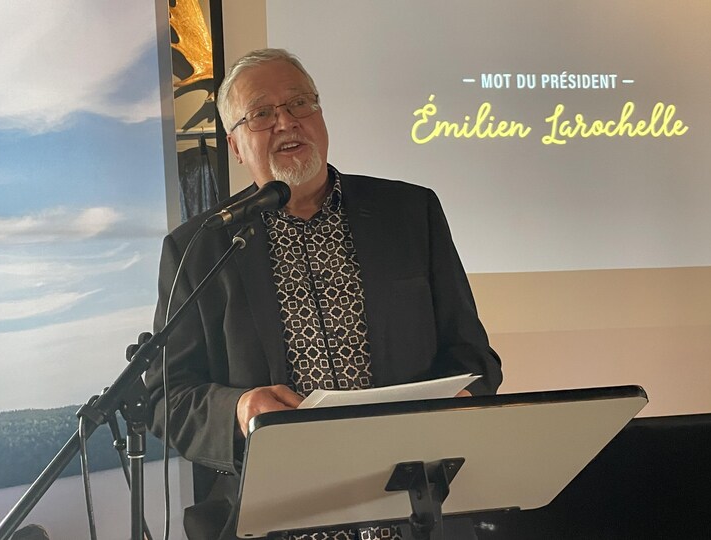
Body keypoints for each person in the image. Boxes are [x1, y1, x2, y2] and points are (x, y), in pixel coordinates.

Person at [145, 48, 502, 540]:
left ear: (320, 114)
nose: (287, 122)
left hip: (417, 511)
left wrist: (460, 401)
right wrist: (241, 408)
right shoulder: (198, 248)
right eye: (262, 114)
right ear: (235, 145)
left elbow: (474, 354)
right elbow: (168, 397)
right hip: (279, 518)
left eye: (300, 103)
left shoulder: (410, 212)